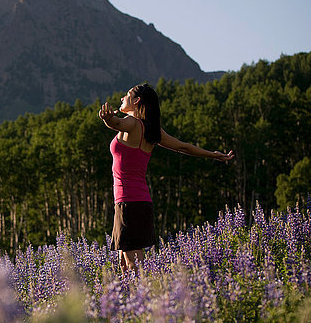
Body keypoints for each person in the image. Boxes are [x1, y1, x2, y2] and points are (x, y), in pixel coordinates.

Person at [98, 83, 234, 273]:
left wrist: (107, 119)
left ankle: (145, 300)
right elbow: (184, 147)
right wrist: (213, 154)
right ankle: (134, 300)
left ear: (136, 101)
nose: (122, 98)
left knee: (132, 266)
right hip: (138, 202)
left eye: (127, 95)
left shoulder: (133, 123)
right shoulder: (152, 130)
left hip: (129, 203)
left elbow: (117, 123)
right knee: (124, 264)